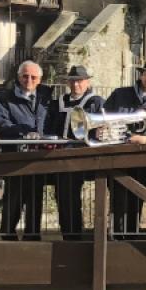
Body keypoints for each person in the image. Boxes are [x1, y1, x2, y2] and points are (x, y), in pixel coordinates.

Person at [104, 58, 146, 235]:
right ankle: (117, 235)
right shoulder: (120, 94)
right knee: (118, 198)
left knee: (138, 197)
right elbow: (105, 118)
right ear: (141, 75)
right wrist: (125, 135)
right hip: (119, 154)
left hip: (143, 157)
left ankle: (132, 236)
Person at [0, 61, 52, 241]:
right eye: (25, 76)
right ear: (19, 77)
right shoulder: (4, 98)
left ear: (40, 80)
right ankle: (7, 236)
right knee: (13, 197)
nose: (29, 80)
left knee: (35, 198)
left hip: (38, 157)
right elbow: (1, 125)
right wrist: (24, 131)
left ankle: (32, 236)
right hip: (15, 155)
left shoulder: (46, 98)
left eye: (33, 77)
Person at [45, 64, 103, 240]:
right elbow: (49, 128)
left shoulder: (96, 101)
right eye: (73, 81)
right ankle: (69, 235)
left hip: (87, 154)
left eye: (80, 81)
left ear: (87, 82)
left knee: (90, 197)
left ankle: (91, 235)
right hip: (62, 155)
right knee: (65, 197)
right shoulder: (58, 103)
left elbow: (102, 126)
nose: (76, 85)